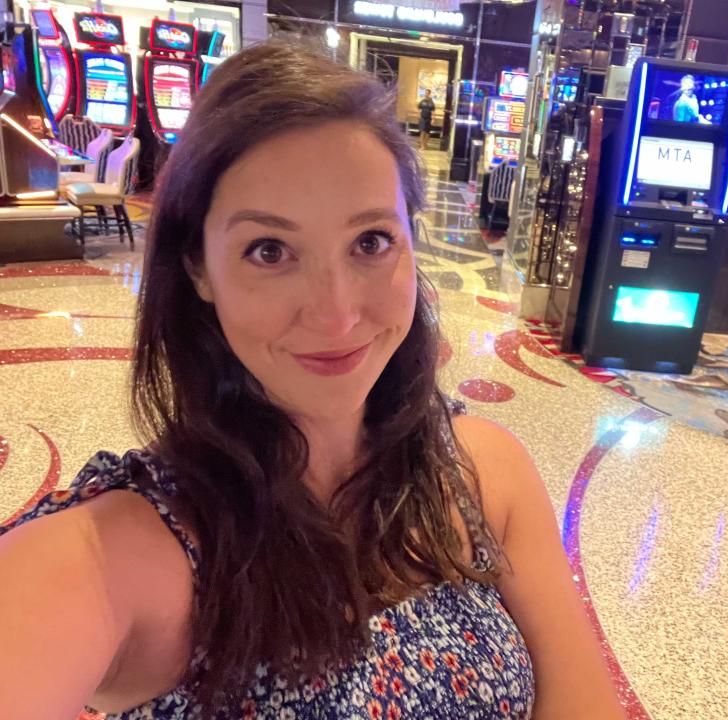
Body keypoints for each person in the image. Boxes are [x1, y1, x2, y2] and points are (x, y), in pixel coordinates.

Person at [0, 39, 626, 720]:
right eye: (270, 250)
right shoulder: (120, 552)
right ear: (198, 268)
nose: (336, 313)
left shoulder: (483, 472)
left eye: (371, 242)